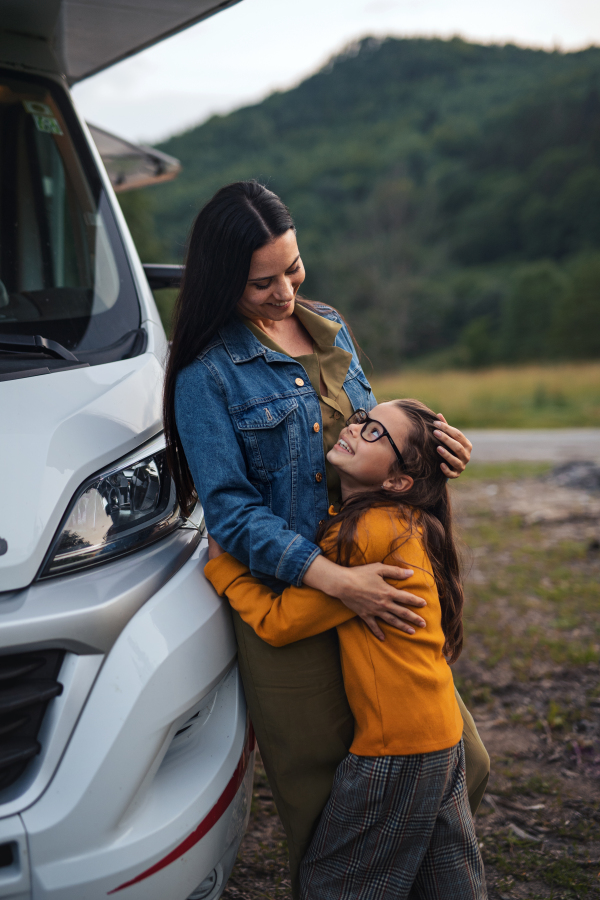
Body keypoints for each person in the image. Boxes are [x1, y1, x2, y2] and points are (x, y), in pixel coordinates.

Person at [165, 180, 489, 895]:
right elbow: (232, 514)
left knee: (447, 763)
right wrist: (334, 580)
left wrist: (434, 454)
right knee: (325, 804)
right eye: (262, 282)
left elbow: (370, 441)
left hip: (371, 574)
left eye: (294, 268)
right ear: (224, 279)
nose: (285, 292)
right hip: (297, 598)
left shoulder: (331, 327)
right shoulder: (204, 375)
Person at [205, 399, 486, 900]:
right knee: (446, 884)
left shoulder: (362, 536)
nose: (357, 428)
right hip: (443, 735)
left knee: (333, 885)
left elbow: (279, 621)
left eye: (377, 433)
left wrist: (223, 568)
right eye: (362, 419)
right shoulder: (409, 524)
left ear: (399, 480)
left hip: (396, 749)